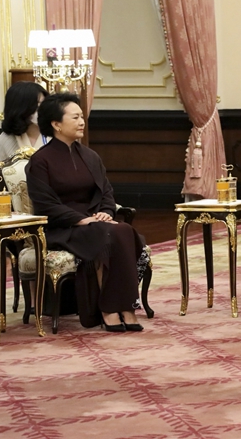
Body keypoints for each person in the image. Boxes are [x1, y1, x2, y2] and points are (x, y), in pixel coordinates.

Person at [26, 93, 147, 332]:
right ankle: (109, 309)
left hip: (96, 223)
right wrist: (80, 219)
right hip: (63, 227)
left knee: (123, 230)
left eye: (82, 116)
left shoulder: (91, 156)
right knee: (109, 234)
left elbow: (106, 192)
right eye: (75, 117)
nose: (82, 122)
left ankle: (126, 307)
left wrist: (105, 212)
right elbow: (44, 203)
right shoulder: (40, 161)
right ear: (56, 124)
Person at [0, 81, 50, 163]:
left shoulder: (56, 136)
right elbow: (2, 170)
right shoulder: (2, 141)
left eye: (43, 105)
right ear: (21, 109)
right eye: (36, 107)